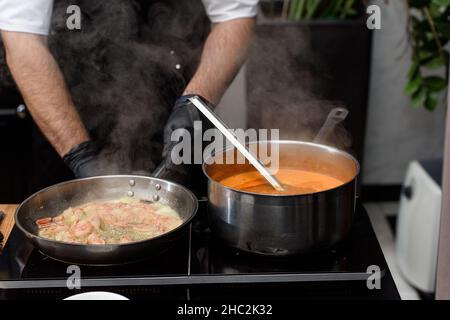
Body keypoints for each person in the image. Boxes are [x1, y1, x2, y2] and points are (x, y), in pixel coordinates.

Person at [0, 0, 257, 193]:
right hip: (67, 121)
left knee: (186, 237)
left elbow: (235, 16)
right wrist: (79, 154)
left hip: (178, 110)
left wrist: (196, 102)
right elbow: (23, 40)